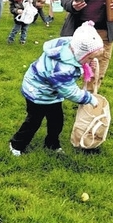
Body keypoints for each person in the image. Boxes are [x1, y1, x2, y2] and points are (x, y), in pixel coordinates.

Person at [9, 21, 103, 156]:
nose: (91, 60)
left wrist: (87, 63)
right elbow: (69, 90)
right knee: (34, 121)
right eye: (90, 57)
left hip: (51, 92)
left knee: (56, 121)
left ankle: (51, 143)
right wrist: (88, 98)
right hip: (37, 93)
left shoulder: (70, 47)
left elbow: (74, 65)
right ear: (81, 53)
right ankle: (16, 144)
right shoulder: (62, 68)